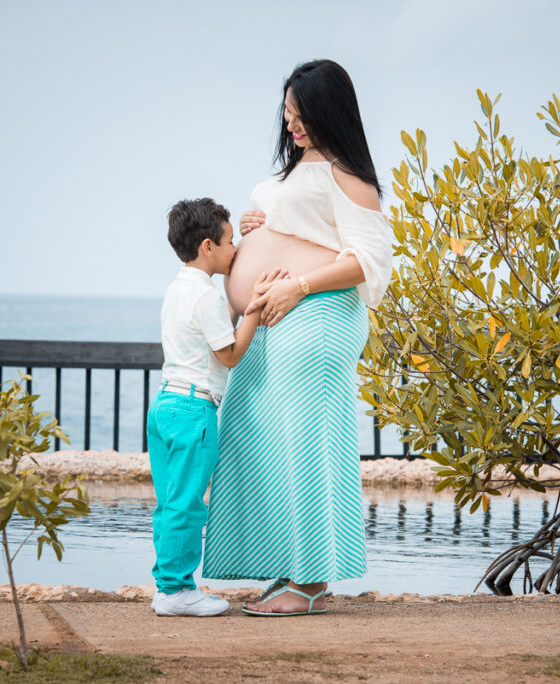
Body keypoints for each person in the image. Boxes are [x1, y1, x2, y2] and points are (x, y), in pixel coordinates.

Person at [202, 59, 393, 616]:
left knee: (304, 445)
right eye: (287, 113)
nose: (292, 124)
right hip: (268, 328)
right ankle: (289, 568)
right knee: (258, 441)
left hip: (315, 318)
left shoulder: (346, 174)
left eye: (302, 114)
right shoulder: (295, 171)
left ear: (330, 112)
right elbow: (299, 232)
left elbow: (370, 261)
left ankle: (308, 582)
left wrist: (300, 286)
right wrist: (254, 229)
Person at [148, 197, 285, 617]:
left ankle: (170, 586)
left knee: (170, 502)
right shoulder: (204, 296)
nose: (236, 250)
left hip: (166, 405)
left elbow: (211, 329)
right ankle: (175, 592)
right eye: (229, 242)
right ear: (208, 246)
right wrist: (256, 307)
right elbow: (229, 355)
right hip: (195, 412)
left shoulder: (178, 289)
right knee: (188, 503)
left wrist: (240, 309)